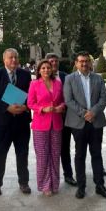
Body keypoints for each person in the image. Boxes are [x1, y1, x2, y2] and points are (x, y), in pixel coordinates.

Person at [64, 52, 106, 200]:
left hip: (96, 122)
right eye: (81, 61)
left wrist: (93, 112)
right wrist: (85, 113)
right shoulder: (69, 79)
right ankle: (81, 186)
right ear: (76, 64)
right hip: (78, 123)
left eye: (86, 61)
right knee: (80, 155)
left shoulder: (98, 78)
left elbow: (104, 98)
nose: (84, 64)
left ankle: (100, 185)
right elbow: (68, 100)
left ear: (91, 63)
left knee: (96, 154)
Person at [0, 48, 32, 196]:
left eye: (15, 58)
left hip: (21, 122)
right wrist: (7, 108)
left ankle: (24, 183)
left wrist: (25, 106)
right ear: (4, 59)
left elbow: (31, 96)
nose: (13, 60)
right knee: (0, 154)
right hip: (2, 123)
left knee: (22, 154)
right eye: (10, 58)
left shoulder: (25, 74)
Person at [27, 59, 65, 196]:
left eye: (48, 68)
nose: (46, 70)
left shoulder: (58, 83)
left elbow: (63, 101)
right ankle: (44, 185)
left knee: (55, 155)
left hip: (56, 123)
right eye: (43, 68)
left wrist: (61, 107)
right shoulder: (34, 84)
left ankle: (54, 184)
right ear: (38, 70)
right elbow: (30, 103)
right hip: (40, 124)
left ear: (52, 69)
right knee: (43, 156)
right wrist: (42, 109)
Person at [45, 52, 76, 186]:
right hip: (47, 119)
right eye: (51, 62)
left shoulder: (66, 77)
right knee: (49, 149)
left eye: (56, 61)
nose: (54, 64)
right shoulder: (41, 79)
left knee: (64, 147)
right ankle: (50, 176)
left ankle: (68, 175)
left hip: (65, 118)